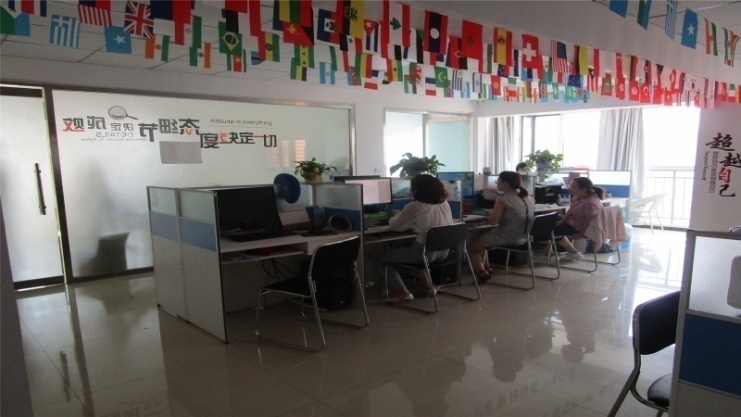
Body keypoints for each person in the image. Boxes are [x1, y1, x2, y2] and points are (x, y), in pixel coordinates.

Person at [373, 174, 453, 302]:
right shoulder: (444, 203)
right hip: (443, 252)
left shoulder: (416, 206)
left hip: (423, 254)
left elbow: (395, 226)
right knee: (406, 249)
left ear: (416, 190)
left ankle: (402, 292)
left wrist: (397, 215)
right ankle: (429, 287)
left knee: (380, 259)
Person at [467, 171, 534, 282]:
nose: (496, 183)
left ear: (505, 183)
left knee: (471, 248)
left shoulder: (503, 199)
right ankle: (487, 267)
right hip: (523, 237)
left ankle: (482, 273)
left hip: (507, 237)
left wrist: (491, 214)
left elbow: (493, 222)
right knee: (478, 236)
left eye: (498, 180)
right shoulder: (527, 197)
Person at [552, 177, 605, 261]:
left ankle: (553, 255)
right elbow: (571, 210)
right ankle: (573, 252)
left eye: (573, 187)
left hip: (581, 227)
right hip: (573, 222)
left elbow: (588, 221)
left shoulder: (591, 202)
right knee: (550, 222)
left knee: (548, 229)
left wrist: (580, 234)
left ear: (583, 189)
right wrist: (561, 221)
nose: (570, 188)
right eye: (570, 185)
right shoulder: (577, 196)